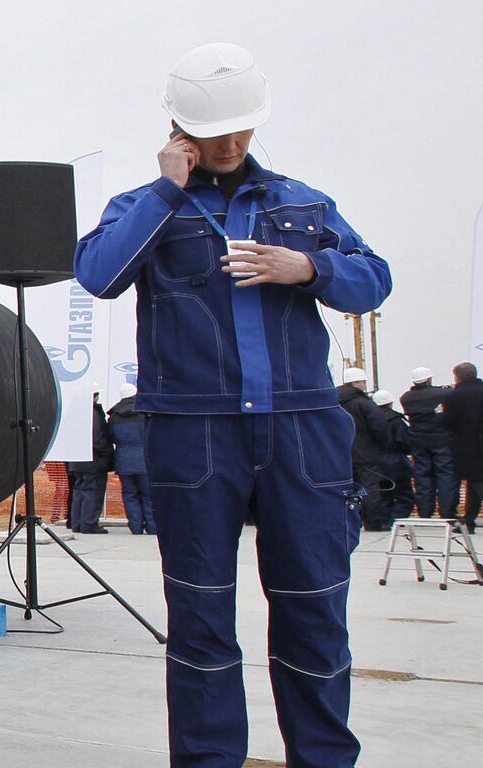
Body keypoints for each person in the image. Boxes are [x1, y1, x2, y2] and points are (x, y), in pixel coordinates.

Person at [74, 43, 390, 767]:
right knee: (200, 616)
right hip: (194, 432)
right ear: (180, 128)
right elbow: (98, 274)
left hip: (301, 431)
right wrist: (164, 192)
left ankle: (324, 758)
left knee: (314, 611)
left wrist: (307, 266)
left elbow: (374, 280)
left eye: (241, 130)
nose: (229, 144)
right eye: (214, 131)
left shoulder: (303, 206)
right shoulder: (145, 207)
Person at [338, 369, 391, 531]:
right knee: (369, 489)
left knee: (343, 490)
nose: (364, 385)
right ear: (356, 383)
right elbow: (379, 426)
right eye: (363, 382)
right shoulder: (364, 403)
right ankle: (373, 522)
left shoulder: (333, 401)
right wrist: (382, 444)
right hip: (365, 453)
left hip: (339, 453)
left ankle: (347, 521)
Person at [402, 367, 457, 518]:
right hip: (442, 441)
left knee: (422, 476)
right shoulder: (444, 394)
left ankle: (425, 512)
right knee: (445, 475)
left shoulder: (406, 398)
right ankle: (447, 512)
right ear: (429, 379)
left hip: (418, 442)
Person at [107, 383, 155, 534]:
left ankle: (135, 527)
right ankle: (153, 527)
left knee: (129, 495)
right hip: (144, 461)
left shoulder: (114, 416)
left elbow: (112, 437)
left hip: (123, 461)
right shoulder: (145, 413)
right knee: (148, 496)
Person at [66, 390, 114, 534]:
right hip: (93, 461)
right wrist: (108, 454)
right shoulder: (92, 414)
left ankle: (77, 523)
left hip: (77, 460)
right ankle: (89, 524)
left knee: (79, 491)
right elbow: (97, 439)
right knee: (92, 492)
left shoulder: (74, 413)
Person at [447, 362, 483, 533]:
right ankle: (468, 520)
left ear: (457, 376)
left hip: (467, 445)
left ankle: (468, 521)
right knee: (474, 483)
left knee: (475, 481)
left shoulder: (455, 396)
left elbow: (449, 422)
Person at [371, 390, 415, 522]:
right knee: (404, 495)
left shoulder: (369, 420)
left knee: (383, 495)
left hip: (375, 464)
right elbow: (405, 443)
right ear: (390, 403)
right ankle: (396, 520)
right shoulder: (397, 421)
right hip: (397, 464)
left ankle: (384, 521)